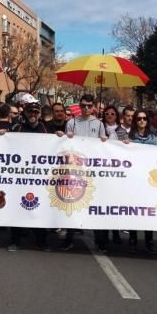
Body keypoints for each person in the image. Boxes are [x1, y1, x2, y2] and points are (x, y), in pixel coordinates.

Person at [62, 94, 107, 252]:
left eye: (89, 105)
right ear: (79, 106)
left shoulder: (100, 124)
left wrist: (104, 140)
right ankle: (69, 238)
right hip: (75, 170)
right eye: (83, 105)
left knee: (95, 205)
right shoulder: (71, 123)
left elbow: (105, 145)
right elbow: (65, 146)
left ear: (93, 107)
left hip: (93, 171)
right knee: (73, 203)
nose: (86, 108)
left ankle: (100, 241)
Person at [10, 102, 50, 251]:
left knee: (41, 208)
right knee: (16, 207)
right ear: (25, 113)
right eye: (30, 111)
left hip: (40, 176)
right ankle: (15, 240)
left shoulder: (46, 129)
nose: (32, 114)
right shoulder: (17, 128)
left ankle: (41, 240)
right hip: (20, 175)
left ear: (39, 113)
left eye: (35, 112)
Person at [126, 109, 157, 254]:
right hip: (134, 179)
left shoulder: (153, 137)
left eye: (144, 119)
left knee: (149, 211)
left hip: (149, 179)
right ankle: (132, 239)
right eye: (139, 119)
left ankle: (149, 240)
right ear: (135, 121)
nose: (141, 121)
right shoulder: (130, 137)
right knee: (134, 211)